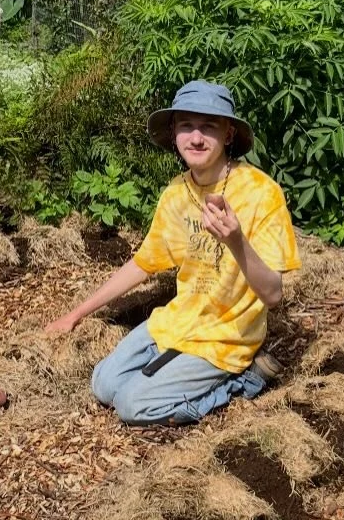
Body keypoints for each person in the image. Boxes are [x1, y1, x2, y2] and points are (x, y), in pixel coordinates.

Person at [45, 80, 300, 425]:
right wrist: (75, 314)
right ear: (174, 133)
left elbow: (272, 294)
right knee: (103, 385)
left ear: (228, 135)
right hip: (178, 321)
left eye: (208, 126)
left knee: (132, 407)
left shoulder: (262, 193)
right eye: (186, 126)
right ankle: (169, 369)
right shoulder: (176, 193)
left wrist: (235, 240)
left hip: (226, 337)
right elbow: (142, 264)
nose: (196, 137)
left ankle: (244, 381)